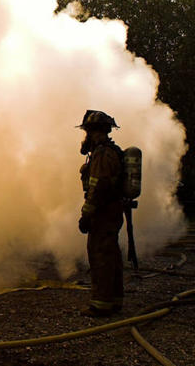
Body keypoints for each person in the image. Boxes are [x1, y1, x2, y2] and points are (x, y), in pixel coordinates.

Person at [77, 110, 124, 317]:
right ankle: (114, 299)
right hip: (111, 210)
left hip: (103, 212)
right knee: (111, 254)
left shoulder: (103, 154)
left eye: (88, 131)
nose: (86, 136)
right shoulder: (110, 152)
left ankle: (101, 305)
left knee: (101, 255)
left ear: (96, 132)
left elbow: (98, 187)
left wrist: (87, 214)